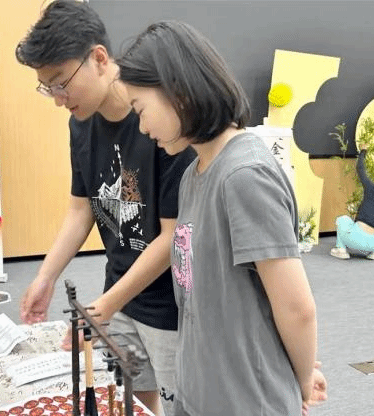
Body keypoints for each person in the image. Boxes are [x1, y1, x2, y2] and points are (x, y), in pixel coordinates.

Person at [117, 21, 327, 415]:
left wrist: (299, 382)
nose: (142, 128)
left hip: (247, 400)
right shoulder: (193, 176)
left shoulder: (245, 176)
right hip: (201, 390)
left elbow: (297, 307)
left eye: (140, 109)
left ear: (178, 92)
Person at [15, 2, 195, 414]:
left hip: (171, 305)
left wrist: (102, 309)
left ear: (99, 58)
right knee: (134, 402)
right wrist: (45, 276)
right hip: (119, 291)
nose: (58, 99)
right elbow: (81, 209)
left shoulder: (161, 120)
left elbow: (171, 238)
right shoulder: (81, 123)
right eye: (47, 88)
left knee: (181, 406)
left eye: (61, 83)